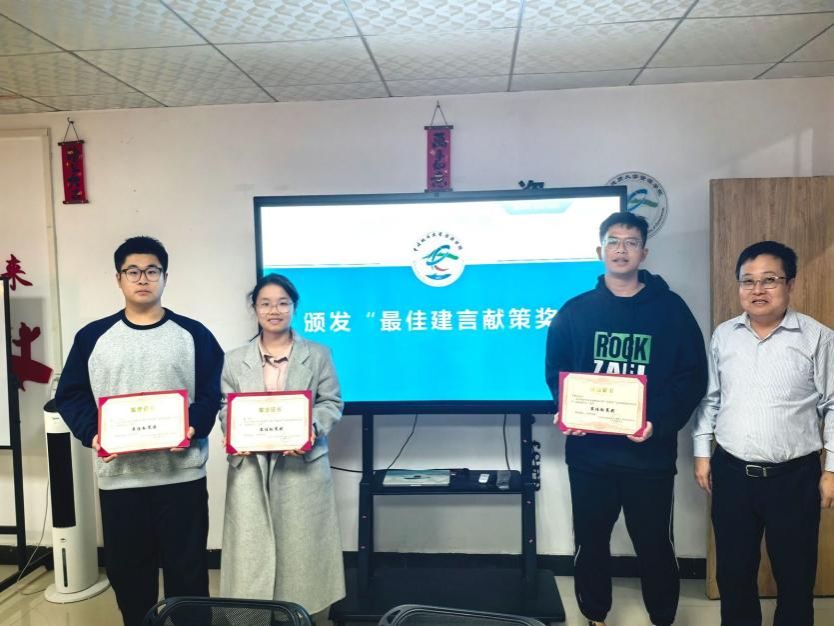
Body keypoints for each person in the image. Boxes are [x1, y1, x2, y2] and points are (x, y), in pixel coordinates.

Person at [545, 212, 707, 626]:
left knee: (655, 544)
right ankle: (595, 616)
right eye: (613, 241)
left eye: (631, 242)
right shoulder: (575, 312)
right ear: (600, 250)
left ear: (644, 252)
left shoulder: (671, 310)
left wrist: (657, 422)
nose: (621, 249)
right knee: (591, 542)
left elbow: (692, 377)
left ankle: (662, 617)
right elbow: (556, 371)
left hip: (649, 457)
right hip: (590, 456)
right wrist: (568, 410)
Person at [55, 236, 223, 626]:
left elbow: (213, 390)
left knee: (189, 572)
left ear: (165, 277)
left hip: (181, 476)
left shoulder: (193, 334)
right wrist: (94, 433)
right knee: (129, 575)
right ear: (119, 278)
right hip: (120, 479)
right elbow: (71, 394)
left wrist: (193, 424)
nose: (142, 278)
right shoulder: (92, 337)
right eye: (133, 271)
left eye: (152, 270)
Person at [693, 240, 834, 626]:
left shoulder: (817, 337)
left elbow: (833, 404)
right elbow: (711, 398)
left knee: (795, 576)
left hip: (794, 478)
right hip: (732, 473)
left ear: (791, 284)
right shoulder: (724, 335)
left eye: (769, 280)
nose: (757, 290)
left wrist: (831, 470)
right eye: (748, 281)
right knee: (733, 574)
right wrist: (702, 453)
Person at [219, 273, 345, 618]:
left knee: (303, 554)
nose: (274, 310)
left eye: (282, 303)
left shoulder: (317, 355)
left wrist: (310, 429)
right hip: (251, 468)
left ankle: (305, 617)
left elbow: (331, 402)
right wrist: (235, 431)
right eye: (265, 303)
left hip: (302, 466)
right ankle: (251, 618)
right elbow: (226, 407)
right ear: (254, 308)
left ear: (294, 307)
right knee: (251, 554)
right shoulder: (234, 359)